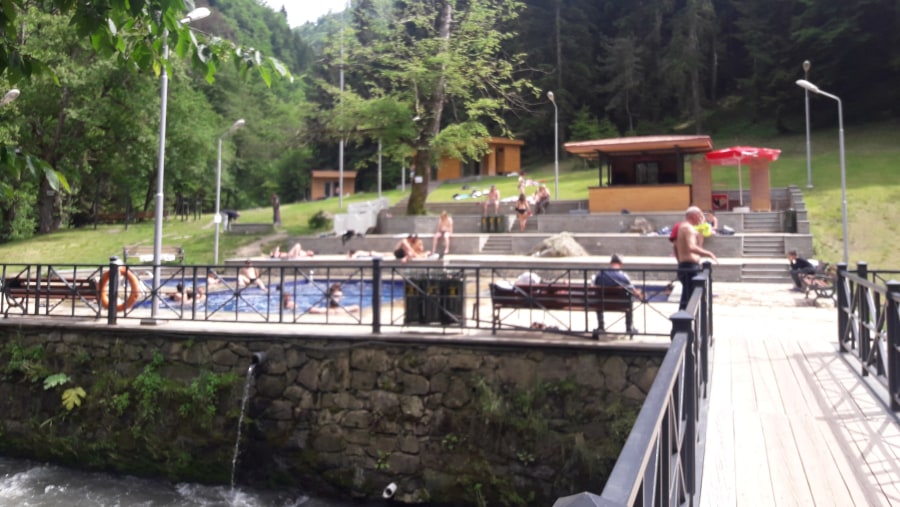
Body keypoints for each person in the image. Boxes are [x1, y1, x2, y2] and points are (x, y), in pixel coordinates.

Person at [673, 206, 717, 310]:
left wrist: (680, 261)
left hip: (687, 266)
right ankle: (682, 324)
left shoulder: (683, 227)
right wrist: (709, 253)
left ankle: (685, 323)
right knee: (688, 298)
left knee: (690, 297)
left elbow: (675, 246)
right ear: (694, 215)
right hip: (689, 267)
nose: (702, 218)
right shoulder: (688, 228)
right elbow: (691, 247)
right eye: (701, 215)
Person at [594, 254, 642, 333]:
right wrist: (639, 295)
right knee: (630, 301)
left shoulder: (601, 274)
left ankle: (601, 326)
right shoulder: (623, 276)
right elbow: (632, 290)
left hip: (602, 303)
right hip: (621, 304)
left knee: (599, 298)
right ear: (621, 263)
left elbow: (595, 286)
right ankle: (629, 328)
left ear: (610, 262)